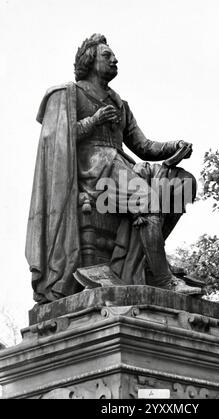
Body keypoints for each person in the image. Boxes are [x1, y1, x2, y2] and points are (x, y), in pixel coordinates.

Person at [26, 34, 200, 304]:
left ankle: (146, 261)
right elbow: (58, 140)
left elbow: (143, 146)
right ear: (90, 61)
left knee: (181, 185)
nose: (114, 59)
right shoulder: (68, 94)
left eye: (114, 56)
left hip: (120, 165)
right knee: (148, 200)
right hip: (92, 168)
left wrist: (173, 146)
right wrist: (93, 121)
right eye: (107, 56)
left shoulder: (120, 103)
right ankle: (163, 279)